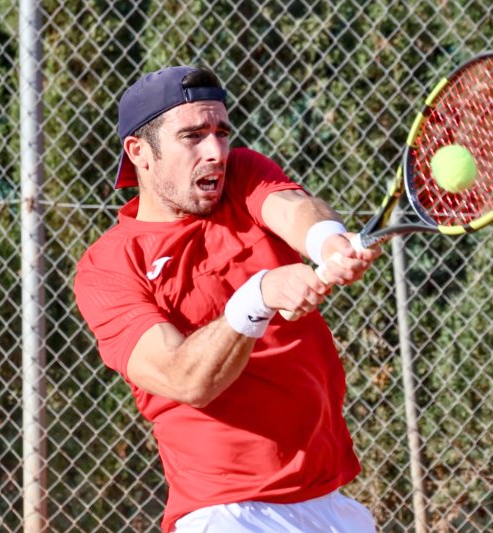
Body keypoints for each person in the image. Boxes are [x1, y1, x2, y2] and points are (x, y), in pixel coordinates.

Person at [73, 65, 381, 532]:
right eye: (192, 136)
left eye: (221, 132)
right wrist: (258, 296)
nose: (216, 151)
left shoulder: (242, 174)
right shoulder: (110, 266)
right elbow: (185, 378)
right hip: (227, 513)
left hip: (328, 500)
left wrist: (329, 243)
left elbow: (294, 209)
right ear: (140, 152)